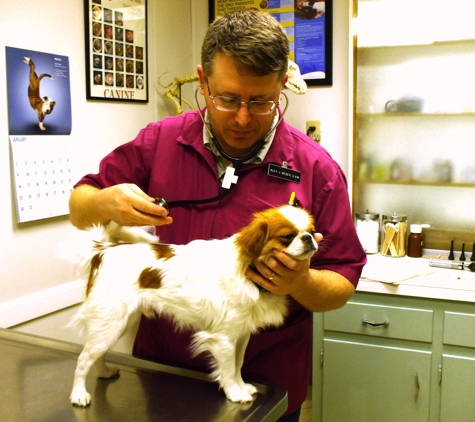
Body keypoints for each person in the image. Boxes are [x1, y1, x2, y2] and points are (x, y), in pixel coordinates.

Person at [69, 10, 366, 421]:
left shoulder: (317, 169)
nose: (243, 118)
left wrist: (302, 280)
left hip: (265, 388)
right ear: (202, 81)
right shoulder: (160, 141)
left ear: (283, 85)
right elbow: (79, 204)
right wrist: (104, 203)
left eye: (260, 102)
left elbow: (343, 281)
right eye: (226, 99)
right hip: (162, 379)